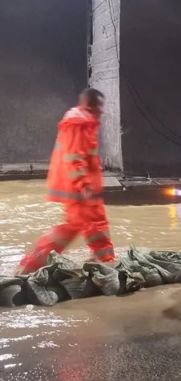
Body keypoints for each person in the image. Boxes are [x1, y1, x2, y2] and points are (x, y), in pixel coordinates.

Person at [17, 88, 115, 274]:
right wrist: (84, 185)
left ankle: (104, 260)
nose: (102, 110)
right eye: (100, 106)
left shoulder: (82, 121)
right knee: (73, 226)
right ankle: (32, 263)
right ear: (91, 104)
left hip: (83, 188)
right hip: (78, 189)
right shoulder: (79, 122)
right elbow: (74, 158)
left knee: (95, 221)